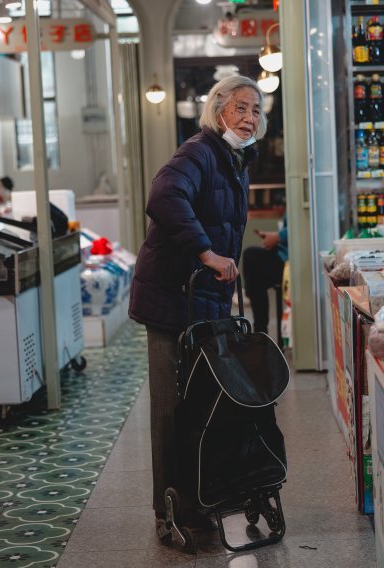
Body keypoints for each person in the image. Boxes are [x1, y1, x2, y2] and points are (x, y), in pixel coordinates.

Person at [128, 75, 266, 533]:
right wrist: (206, 251)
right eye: (241, 108)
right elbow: (164, 197)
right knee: (170, 407)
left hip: (201, 300)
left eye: (257, 111)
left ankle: (197, 497)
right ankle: (169, 509)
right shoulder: (198, 151)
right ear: (219, 108)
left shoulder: (232, 157)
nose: (249, 119)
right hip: (172, 298)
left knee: (198, 401)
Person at [242, 218, 287, 335]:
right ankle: (260, 334)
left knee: (250, 255)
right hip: (282, 253)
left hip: (288, 262)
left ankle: (260, 331)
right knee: (256, 278)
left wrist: (278, 237)